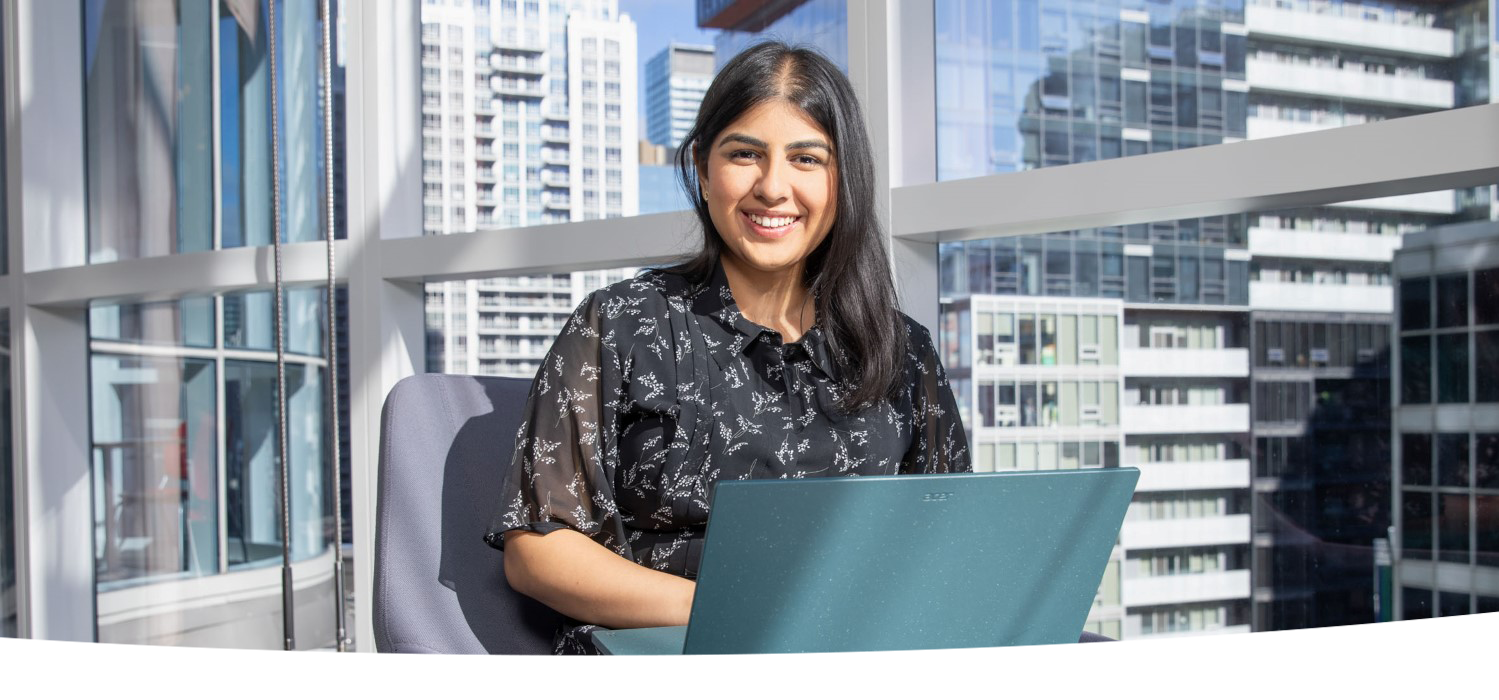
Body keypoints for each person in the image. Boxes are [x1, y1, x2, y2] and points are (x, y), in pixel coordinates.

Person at [483, 41, 1130, 654]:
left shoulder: (905, 354)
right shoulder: (621, 322)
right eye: (744, 154)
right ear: (704, 168)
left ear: (842, 180)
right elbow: (540, 549)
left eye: (806, 158)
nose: (772, 186)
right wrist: (732, 609)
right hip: (672, 653)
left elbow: (945, 549)